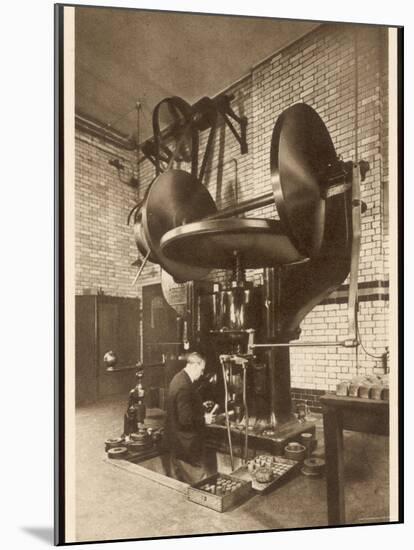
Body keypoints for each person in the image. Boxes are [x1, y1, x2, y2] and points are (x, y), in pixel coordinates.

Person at [165, 351, 216, 484]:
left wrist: (199, 406)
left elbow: (181, 408)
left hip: (176, 442)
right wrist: (205, 419)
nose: (202, 374)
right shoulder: (184, 386)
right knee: (201, 484)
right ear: (194, 365)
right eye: (202, 369)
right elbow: (185, 419)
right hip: (185, 445)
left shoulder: (178, 378)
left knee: (180, 484)